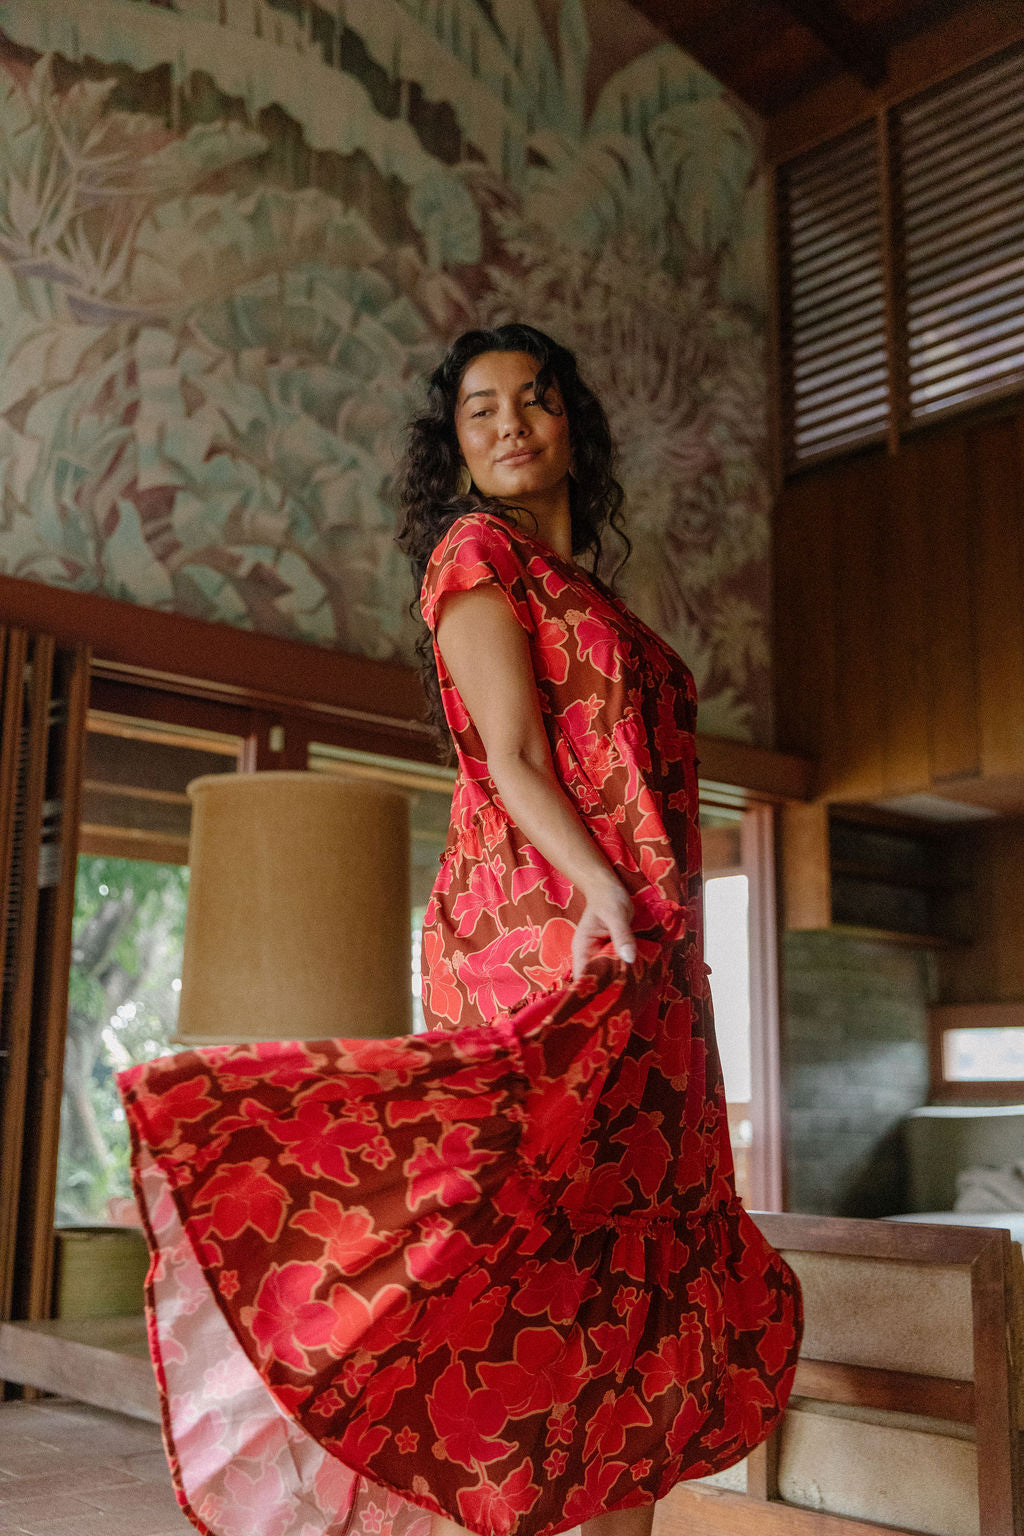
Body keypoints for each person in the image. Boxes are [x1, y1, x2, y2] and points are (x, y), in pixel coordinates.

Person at [119, 324, 801, 1536]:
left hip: (646, 953)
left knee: (631, 1258)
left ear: (572, 425)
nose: (509, 425)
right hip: (549, 926)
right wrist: (601, 891)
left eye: (533, 400)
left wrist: (644, 925)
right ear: (456, 448)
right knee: (536, 1246)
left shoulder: (589, 593)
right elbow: (514, 758)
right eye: (478, 411)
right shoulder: (475, 554)